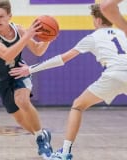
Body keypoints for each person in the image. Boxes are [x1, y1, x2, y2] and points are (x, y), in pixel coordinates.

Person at [9, 4, 127, 160]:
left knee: (78, 106)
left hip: (115, 74)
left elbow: (62, 59)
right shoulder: (122, 32)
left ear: (97, 20)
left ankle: (65, 153)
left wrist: (30, 69)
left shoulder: (93, 37)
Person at [0, 0, 53, 159]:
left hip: (19, 71)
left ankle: (41, 140)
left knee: (22, 100)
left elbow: (38, 51)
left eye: (1, 16)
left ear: (9, 16)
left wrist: (49, 38)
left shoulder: (19, 29)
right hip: (1, 79)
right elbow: (7, 55)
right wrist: (27, 35)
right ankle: (42, 134)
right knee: (20, 119)